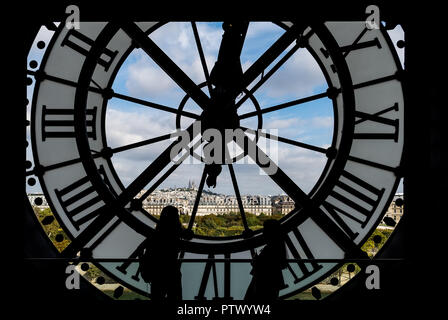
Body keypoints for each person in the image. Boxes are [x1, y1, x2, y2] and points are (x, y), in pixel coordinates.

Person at [140, 205, 192, 301]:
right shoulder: (177, 232)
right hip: (172, 270)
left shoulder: (157, 233)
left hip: (157, 271)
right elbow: (188, 236)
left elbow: (145, 249)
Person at [244, 219, 287, 301]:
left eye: (265, 229)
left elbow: (262, 266)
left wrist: (256, 261)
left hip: (262, 281)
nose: (263, 232)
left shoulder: (269, 249)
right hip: (270, 282)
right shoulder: (277, 248)